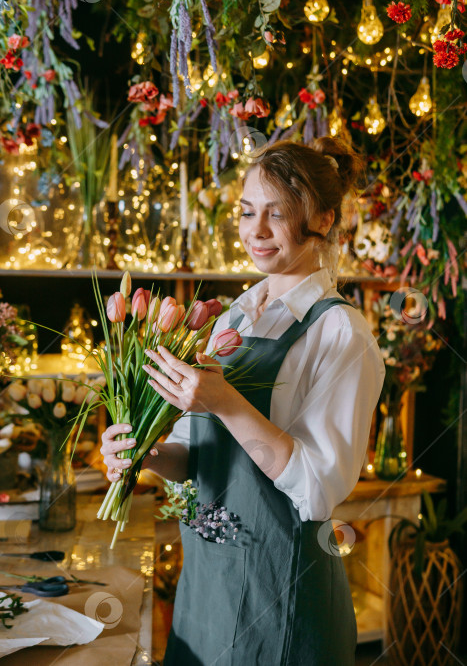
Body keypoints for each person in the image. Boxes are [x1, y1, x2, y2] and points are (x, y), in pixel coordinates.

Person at [100, 137, 386, 665]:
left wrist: (227, 401)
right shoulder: (234, 316)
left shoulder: (340, 332)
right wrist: (141, 454)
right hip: (205, 587)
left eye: (275, 215)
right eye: (247, 211)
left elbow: (319, 490)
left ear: (322, 219)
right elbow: (194, 455)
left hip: (282, 599)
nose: (254, 231)